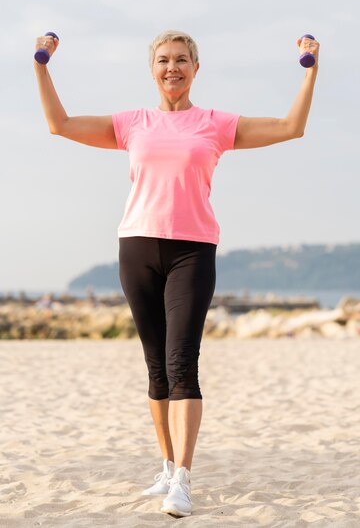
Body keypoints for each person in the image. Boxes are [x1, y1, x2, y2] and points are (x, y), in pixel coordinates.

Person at [34, 29, 319, 517]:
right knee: (156, 367)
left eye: (182, 60)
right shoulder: (132, 123)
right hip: (137, 247)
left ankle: (182, 479)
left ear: (195, 68)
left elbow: (291, 126)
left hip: (192, 250)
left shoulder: (215, 123)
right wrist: (41, 66)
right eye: (164, 60)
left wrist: (310, 68)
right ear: (152, 69)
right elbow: (59, 124)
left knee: (183, 362)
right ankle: (166, 465)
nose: (173, 67)